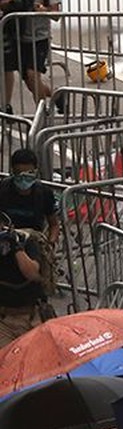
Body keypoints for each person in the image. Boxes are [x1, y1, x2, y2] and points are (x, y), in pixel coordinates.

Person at [0, 0, 61, 111]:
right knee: (31, 83)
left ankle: (42, 114)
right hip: (18, 37)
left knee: (34, 76)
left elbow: (57, 14)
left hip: (38, 38)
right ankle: (57, 95)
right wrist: (10, 0)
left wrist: (43, 10)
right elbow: (2, 3)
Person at [0, 214, 47, 347]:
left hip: (30, 316)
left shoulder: (27, 242)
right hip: (3, 320)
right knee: (7, 363)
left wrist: (16, 247)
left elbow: (32, 273)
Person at [0, 149, 59, 242]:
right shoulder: (3, 189)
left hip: (33, 240)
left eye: (28, 174)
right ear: (12, 172)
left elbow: (54, 224)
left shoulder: (44, 193)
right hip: (6, 239)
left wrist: (51, 244)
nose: (23, 179)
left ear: (35, 172)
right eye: (19, 174)